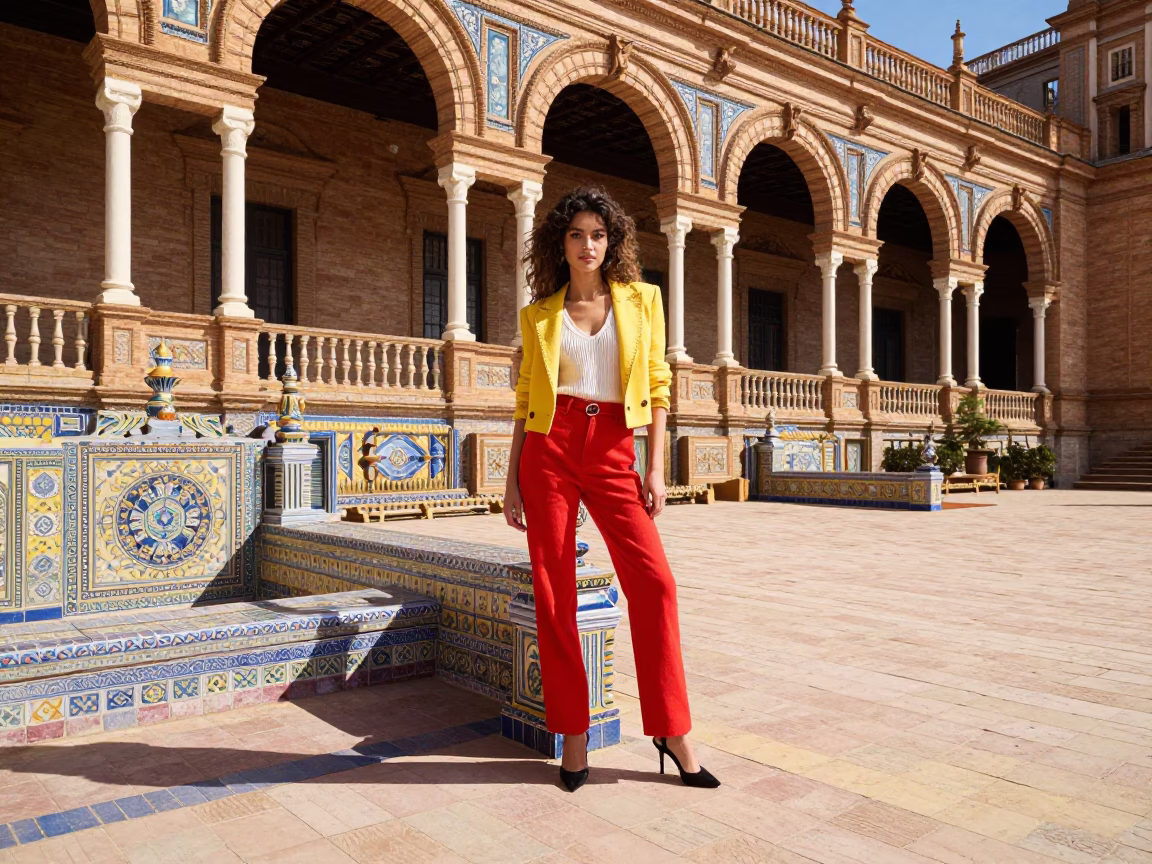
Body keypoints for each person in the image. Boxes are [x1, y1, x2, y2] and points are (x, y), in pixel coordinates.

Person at [503, 186, 720, 793]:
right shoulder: (539, 313)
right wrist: (512, 479)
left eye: (598, 234)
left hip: (614, 446)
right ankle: (573, 735)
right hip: (549, 449)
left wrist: (655, 468)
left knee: (655, 583)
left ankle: (672, 730)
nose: (587, 244)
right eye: (576, 234)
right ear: (561, 242)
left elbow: (657, 386)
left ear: (613, 241)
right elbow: (524, 402)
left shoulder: (642, 301)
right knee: (554, 592)